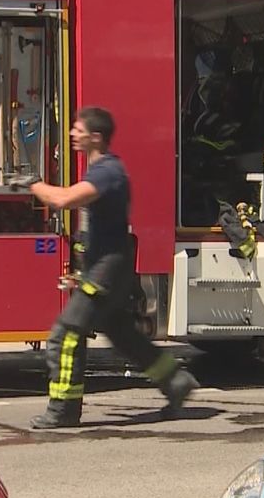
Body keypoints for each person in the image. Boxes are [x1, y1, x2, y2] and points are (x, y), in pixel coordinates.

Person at [11, 106, 198, 429]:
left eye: (78, 129)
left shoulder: (107, 171)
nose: (73, 134)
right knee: (124, 336)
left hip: (107, 270)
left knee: (66, 335)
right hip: (108, 266)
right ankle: (175, 382)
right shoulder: (102, 169)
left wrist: (34, 184)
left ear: (95, 137)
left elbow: (65, 200)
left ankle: (63, 410)